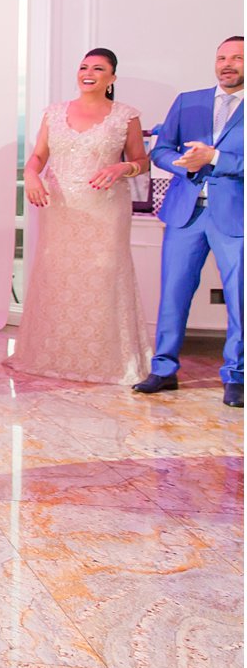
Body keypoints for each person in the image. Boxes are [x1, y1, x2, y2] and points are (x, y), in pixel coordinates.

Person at [12, 48, 150, 385]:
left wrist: (122, 167)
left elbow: (142, 161)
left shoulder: (126, 116)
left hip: (105, 210)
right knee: (58, 277)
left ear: (112, 78)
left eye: (98, 68)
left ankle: (105, 361)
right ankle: (50, 355)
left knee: (103, 279)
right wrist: (31, 177)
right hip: (60, 209)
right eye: (84, 67)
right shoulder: (53, 113)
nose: (88, 73)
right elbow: (37, 158)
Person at [135, 36, 243, 408]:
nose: (228, 64)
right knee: (173, 294)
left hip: (235, 215)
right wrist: (181, 164)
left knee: (239, 299)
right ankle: (163, 370)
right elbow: (160, 149)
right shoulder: (188, 101)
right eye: (222, 58)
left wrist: (216, 158)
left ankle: (237, 376)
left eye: (238, 58)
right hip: (186, 212)